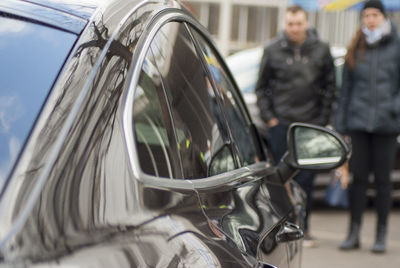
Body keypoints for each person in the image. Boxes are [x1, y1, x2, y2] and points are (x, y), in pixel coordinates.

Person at [255, 5, 336, 247]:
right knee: (281, 178)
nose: (294, 28)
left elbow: (330, 88)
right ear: (284, 25)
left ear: (306, 24)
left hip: (310, 125)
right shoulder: (272, 50)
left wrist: (321, 120)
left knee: (307, 178)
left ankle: (305, 228)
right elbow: (262, 88)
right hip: (281, 125)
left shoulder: (321, 50)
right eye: (290, 24)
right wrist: (270, 118)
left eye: (298, 24)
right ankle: (283, 227)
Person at [335, 0, 400, 254]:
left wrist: (395, 108)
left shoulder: (396, 46)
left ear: (384, 17)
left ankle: (381, 234)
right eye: (366, 15)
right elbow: (346, 89)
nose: (370, 19)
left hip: (386, 123)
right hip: (358, 123)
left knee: (383, 182)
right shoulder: (356, 47)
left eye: (374, 15)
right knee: (358, 180)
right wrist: (342, 121)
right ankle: (353, 232)